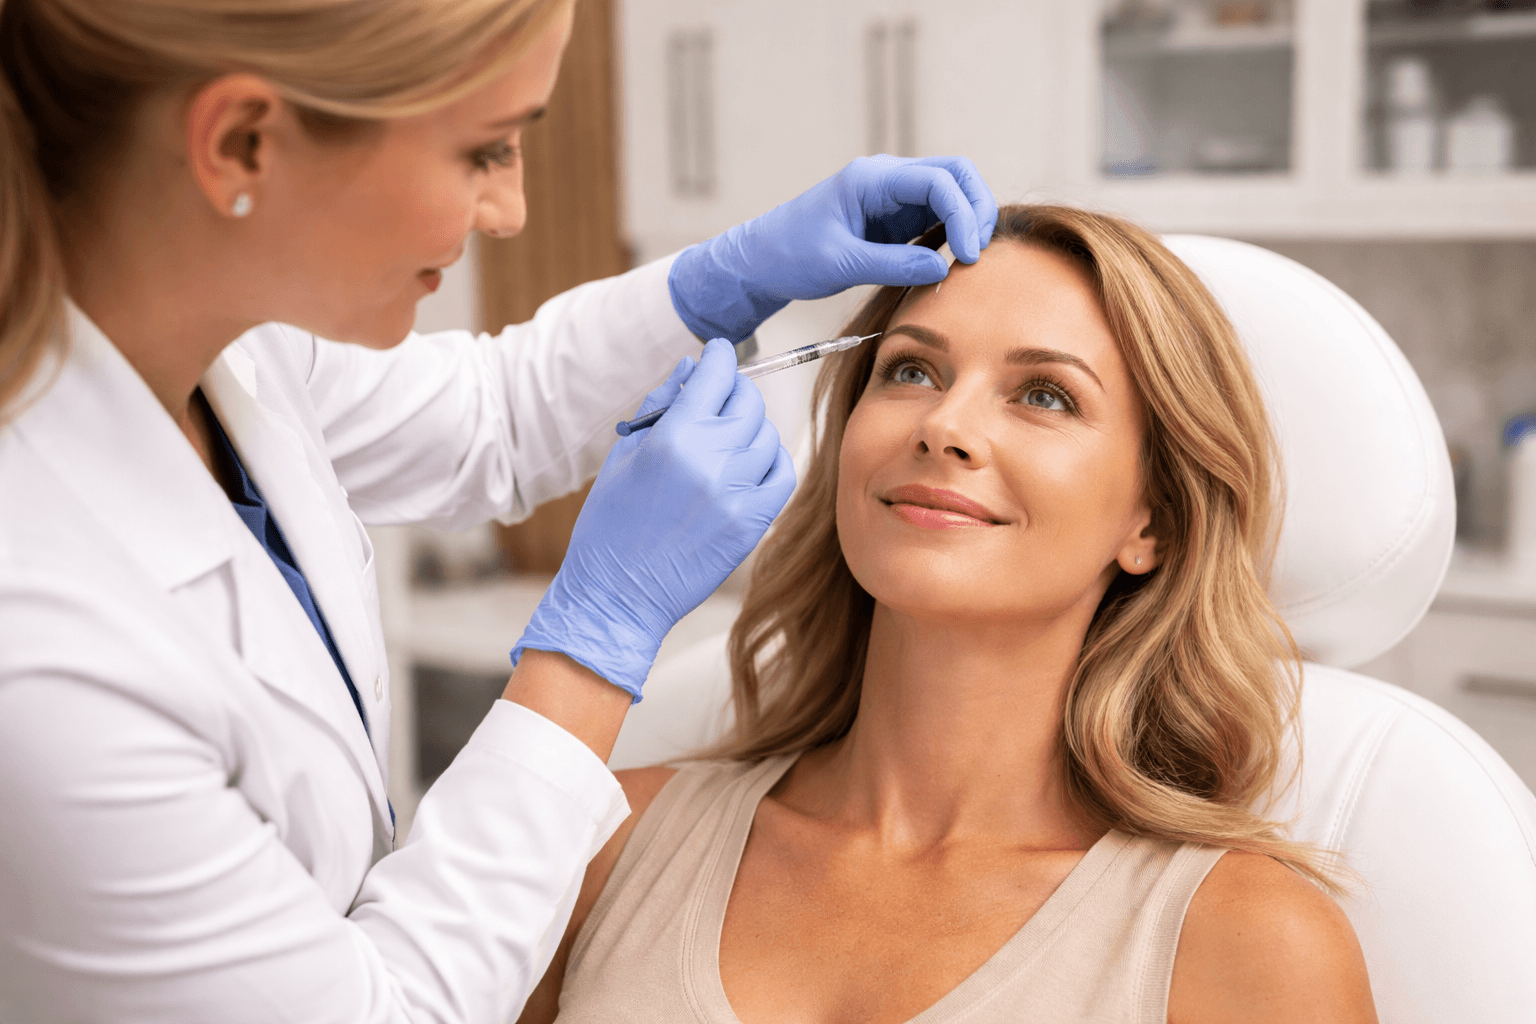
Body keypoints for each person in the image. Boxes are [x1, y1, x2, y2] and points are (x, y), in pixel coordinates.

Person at [0, 0, 999, 1020]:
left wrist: (728, 279)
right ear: (242, 143)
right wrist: (594, 637)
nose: (511, 212)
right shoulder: (40, 651)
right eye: (484, 151)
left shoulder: (234, 351)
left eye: (1044, 395)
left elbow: (494, 415)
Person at [522, 205, 1380, 1024]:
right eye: (910, 370)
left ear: (1149, 521)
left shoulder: (1250, 941)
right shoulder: (603, 844)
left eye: (1044, 394)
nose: (944, 425)